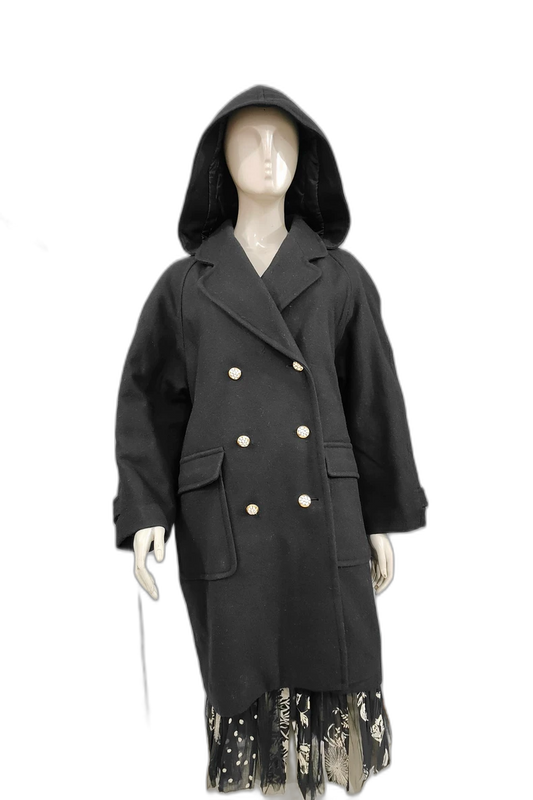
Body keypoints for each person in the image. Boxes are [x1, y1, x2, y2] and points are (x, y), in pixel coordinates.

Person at [111, 83, 429, 798]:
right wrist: (145, 510)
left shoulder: (340, 275)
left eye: (282, 139)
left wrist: (381, 517)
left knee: (331, 653)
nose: (266, 154)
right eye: (247, 139)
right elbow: (145, 401)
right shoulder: (185, 285)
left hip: (323, 508)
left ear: (308, 157)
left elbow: (374, 400)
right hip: (227, 511)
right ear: (218, 160)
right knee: (245, 665)